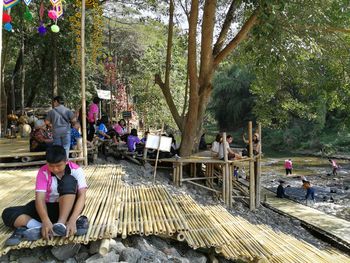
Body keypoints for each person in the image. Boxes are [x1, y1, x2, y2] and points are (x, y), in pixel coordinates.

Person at [1, 146, 89, 246]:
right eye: (51, 166)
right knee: (8, 213)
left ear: (66, 161)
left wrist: (73, 220)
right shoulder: (43, 172)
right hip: (49, 208)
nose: (55, 169)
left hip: (69, 209)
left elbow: (82, 195)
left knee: (68, 180)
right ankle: (44, 227)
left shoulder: (76, 170)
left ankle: (61, 223)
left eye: (59, 165)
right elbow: (40, 198)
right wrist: (45, 220)